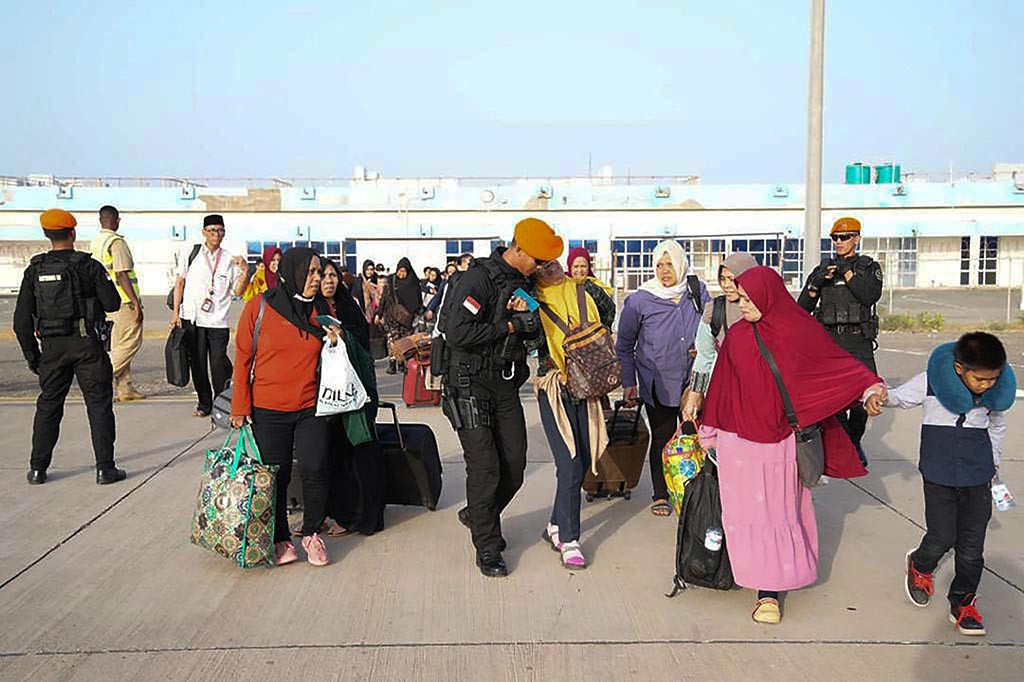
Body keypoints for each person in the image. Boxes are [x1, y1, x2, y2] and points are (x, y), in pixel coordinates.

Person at [700, 266, 886, 624]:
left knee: (777, 512)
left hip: (779, 444)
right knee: (743, 515)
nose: (744, 304)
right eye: (742, 297)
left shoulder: (799, 330)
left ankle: (768, 590)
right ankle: (750, 575)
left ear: (770, 295)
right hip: (738, 444)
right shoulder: (737, 336)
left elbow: (834, 366)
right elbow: (722, 386)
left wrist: (869, 389)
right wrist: (709, 431)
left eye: (750, 298)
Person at [868, 332, 1013, 636]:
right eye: (981, 380)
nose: (987, 385)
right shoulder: (932, 381)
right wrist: (879, 396)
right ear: (960, 368)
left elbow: (997, 424)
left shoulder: (992, 393)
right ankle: (920, 564)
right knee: (942, 536)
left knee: (972, 548)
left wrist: (995, 459)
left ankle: (963, 603)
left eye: (993, 379)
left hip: (978, 476)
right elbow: (901, 397)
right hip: (939, 475)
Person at [438, 217, 560, 577]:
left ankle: (478, 514)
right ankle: (487, 546)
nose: (540, 267)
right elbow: (457, 332)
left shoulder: (526, 282)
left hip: (504, 384)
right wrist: (508, 325)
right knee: (485, 467)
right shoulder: (479, 278)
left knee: (515, 464)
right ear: (518, 248)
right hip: (468, 383)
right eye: (537, 260)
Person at [230, 248, 336, 567]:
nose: (317, 278)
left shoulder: (321, 309)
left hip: (311, 406)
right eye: (312, 272)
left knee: (315, 468)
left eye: (319, 272)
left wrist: (336, 339)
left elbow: (339, 350)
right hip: (268, 408)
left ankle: (312, 533)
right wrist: (239, 407)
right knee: (276, 475)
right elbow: (242, 359)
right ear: (293, 272)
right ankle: (280, 539)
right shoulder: (258, 306)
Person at [15, 209, 126, 485]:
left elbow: (21, 322)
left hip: (52, 349)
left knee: (49, 406)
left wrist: (34, 357)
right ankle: (105, 469)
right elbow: (112, 303)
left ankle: (37, 469)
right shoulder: (88, 266)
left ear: (46, 235)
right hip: (87, 345)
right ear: (73, 233)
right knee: (99, 405)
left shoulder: (35, 270)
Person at [615, 240, 709, 516]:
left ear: (680, 264)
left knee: (696, 436)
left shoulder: (697, 291)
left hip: (693, 380)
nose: (664, 271)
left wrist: (703, 347)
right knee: (663, 438)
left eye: (669, 264)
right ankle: (661, 494)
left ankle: (696, 491)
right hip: (658, 382)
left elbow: (711, 327)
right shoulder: (640, 300)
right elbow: (624, 345)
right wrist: (629, 382)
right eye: (659, 265)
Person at [534, 260, 609, 570]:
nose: (548, 269)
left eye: (551, 262)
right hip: (554, 389)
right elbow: (529, 342)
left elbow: (605, 325)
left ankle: (554, 523)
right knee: (570, 462)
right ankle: (570, 538)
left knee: (576, 468)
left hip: (586, 387)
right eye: (540, 265)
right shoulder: (530, 299)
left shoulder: (583, 293)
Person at [798, 216, 883, 466]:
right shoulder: (824, 269)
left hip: (859, 341)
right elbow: (803, 308)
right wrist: (816, 283)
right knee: (833, 400)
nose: (839, 242)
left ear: (857, 238)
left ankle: (854, 441)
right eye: (835, 238)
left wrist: (847, 273)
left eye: (844, 237)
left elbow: (869, 296)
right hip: (830, 342)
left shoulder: (868, 267)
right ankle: (844, 444)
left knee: (861, 401)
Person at [320, 258, 385, 536]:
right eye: (322, 276)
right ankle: (338, 513)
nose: (328, 281)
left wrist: (342, 337)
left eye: (333, 275)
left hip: (355, 393)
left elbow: (363, 348)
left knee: (361, 451)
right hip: (324, 396)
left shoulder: (349, 306)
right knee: (331, 455)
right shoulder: (310, 308)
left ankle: (367, 516)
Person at [169, 214, 248, 417]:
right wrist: (176, 313)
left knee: (218, 362)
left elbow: (237, 292)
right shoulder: (191, 252)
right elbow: (179, 283)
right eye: (212, 230)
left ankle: (221, 403)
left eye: (220, 230)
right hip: (192, 318)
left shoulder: (230, 259)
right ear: (204, 232)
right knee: (198, 363)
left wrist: (245, 271)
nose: (216, 234)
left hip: (217, 320)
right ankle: (204, 403)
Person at [681, 252, 758, 421]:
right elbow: (704, 357)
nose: (727, 285)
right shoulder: (715, 310)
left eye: (732, 279)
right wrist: (694, 397)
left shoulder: (765, 308)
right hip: (726, 395)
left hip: (761, 397)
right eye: (723, 279)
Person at [90, 205, 145, 402]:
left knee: (119, 344)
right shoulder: (116, 242)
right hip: (123, 301)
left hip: (106, 301)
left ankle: (125, 389)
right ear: (117, 221)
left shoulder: (96, 242)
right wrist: (135, 303)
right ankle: (100, 378)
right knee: (131, 342)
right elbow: (122, 274)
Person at [377, 256, 424, 375]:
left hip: (408, 318)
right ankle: (392, 364)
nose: (401, 274)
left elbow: (418, 300)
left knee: (404, 340)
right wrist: (379, 313)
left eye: (404, 271)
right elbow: (384, 298)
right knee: (392, 339)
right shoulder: (392, 280)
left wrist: (420, 312)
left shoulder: (413, 282)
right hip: (391, 316)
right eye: (400, 271)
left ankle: (402, 363)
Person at [566, 246, 615, 328]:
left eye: (583, 266)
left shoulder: (593, 286)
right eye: (576, 266)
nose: (579, 270)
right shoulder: (563, 286)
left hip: (592, 336)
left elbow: (609, 310)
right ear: (570, 267)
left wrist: (602, 329)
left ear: (589, 267)